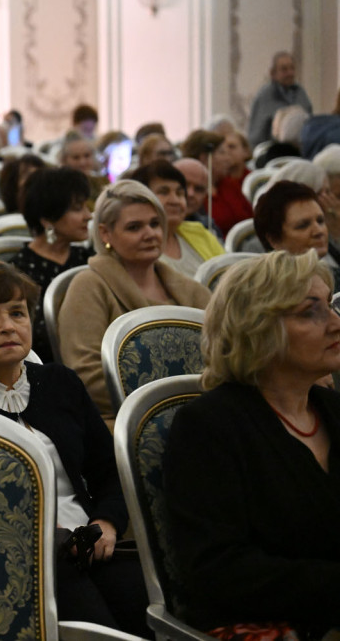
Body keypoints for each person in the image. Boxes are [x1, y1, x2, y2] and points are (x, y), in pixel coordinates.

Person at [0, 261, 148, 635]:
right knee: (99, 630)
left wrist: (106, 522)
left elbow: (109, 470)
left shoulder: (60, 382)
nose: (8, 326)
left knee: (149, 612)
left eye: (17, 313)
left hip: (92, 544)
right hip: (15, 561)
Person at [163, 250, 340, 635]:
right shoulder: (209, 427)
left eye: (332, 306)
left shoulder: (332, 409)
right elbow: (220, 571)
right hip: (268, 624)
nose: (336, 324)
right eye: (312, 312)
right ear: (258, 329)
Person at [59, 181, 211, 421]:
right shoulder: (88, 286)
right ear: (105, 233)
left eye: (154, 224)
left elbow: (227, 355)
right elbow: (85, 374)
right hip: (123, 423)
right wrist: (162, 404)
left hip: (205, 411)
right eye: (134, 227)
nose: (150, 234)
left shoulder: (191, 290)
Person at [9, 167, 94, 363]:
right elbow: (31, 336)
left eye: (86, 207)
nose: (88, 216)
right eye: (77, 208)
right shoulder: (19, 271)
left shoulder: (89, 258)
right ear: (47, 219)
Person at [131, 160, 225, 276]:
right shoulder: (133, 246)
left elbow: (228, 276)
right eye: (164, 192)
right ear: (141, 198)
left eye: (179, 193)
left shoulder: (200, 233)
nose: (175, 201)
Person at [254, 180, 340, 291]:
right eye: (303, 226)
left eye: (320, 221)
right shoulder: (271, 294)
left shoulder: (334, 275)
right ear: (274, 240)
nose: (319, 231)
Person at [181, 129, 251, 236]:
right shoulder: (191, 193)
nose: (228, 158)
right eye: (222, 152)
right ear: (205, 157)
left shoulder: (229, 184)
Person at [247, 51, 314, 146]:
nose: (290, 73)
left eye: (292, 68)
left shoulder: (300, 92)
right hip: (273, 151)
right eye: (284, 69)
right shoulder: (265, 96)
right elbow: (257, 134)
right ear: (273, 73)